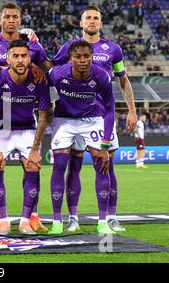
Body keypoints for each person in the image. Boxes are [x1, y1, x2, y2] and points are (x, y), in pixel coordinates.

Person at [51, 6, 136, 232]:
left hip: (100, 116)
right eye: (87, 17)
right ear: (80, 23)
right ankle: (72, 218)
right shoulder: (69, 48)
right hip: (71, 115)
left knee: (108, 165)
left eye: (96, 18)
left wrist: (132, 110)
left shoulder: (113, 49)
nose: (91, 20)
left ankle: (111, 217)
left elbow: (123, 80)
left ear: (101, 23)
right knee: (74, 167)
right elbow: (53, 71)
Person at [0, 3, 49, 232]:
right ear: (0, 19)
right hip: (0, 123)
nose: (10, 20)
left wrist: (40, 69)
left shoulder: (33, 46)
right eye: (6, 16)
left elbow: (48, 67)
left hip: (27, 123)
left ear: (20, 19)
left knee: (34, 165)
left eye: (15, 16)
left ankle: (30, 218)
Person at [47, 40, 116, 235]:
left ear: (92, 57)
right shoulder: (58, 74)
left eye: (87, 56)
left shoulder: (101, 75)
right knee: (59, 166)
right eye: (78, 57)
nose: (83, 60)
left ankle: (102, 222)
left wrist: (105, 145)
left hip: (92, 120)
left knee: (102, 165)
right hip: (64, 120)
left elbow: (110, 110)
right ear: (71, 58)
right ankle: (57, 222)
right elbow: (40, 78)